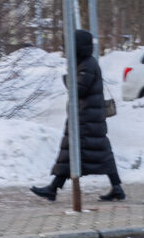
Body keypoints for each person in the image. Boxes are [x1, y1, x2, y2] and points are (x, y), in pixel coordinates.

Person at [31, 29, 125, 202]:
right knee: (97, 153)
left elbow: (79, 89)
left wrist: (67, 78)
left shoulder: (87, 64)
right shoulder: (86, 62)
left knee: (74, 152)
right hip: (87, 117)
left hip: (86, 118)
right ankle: (116, 188)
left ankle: (53, 188)